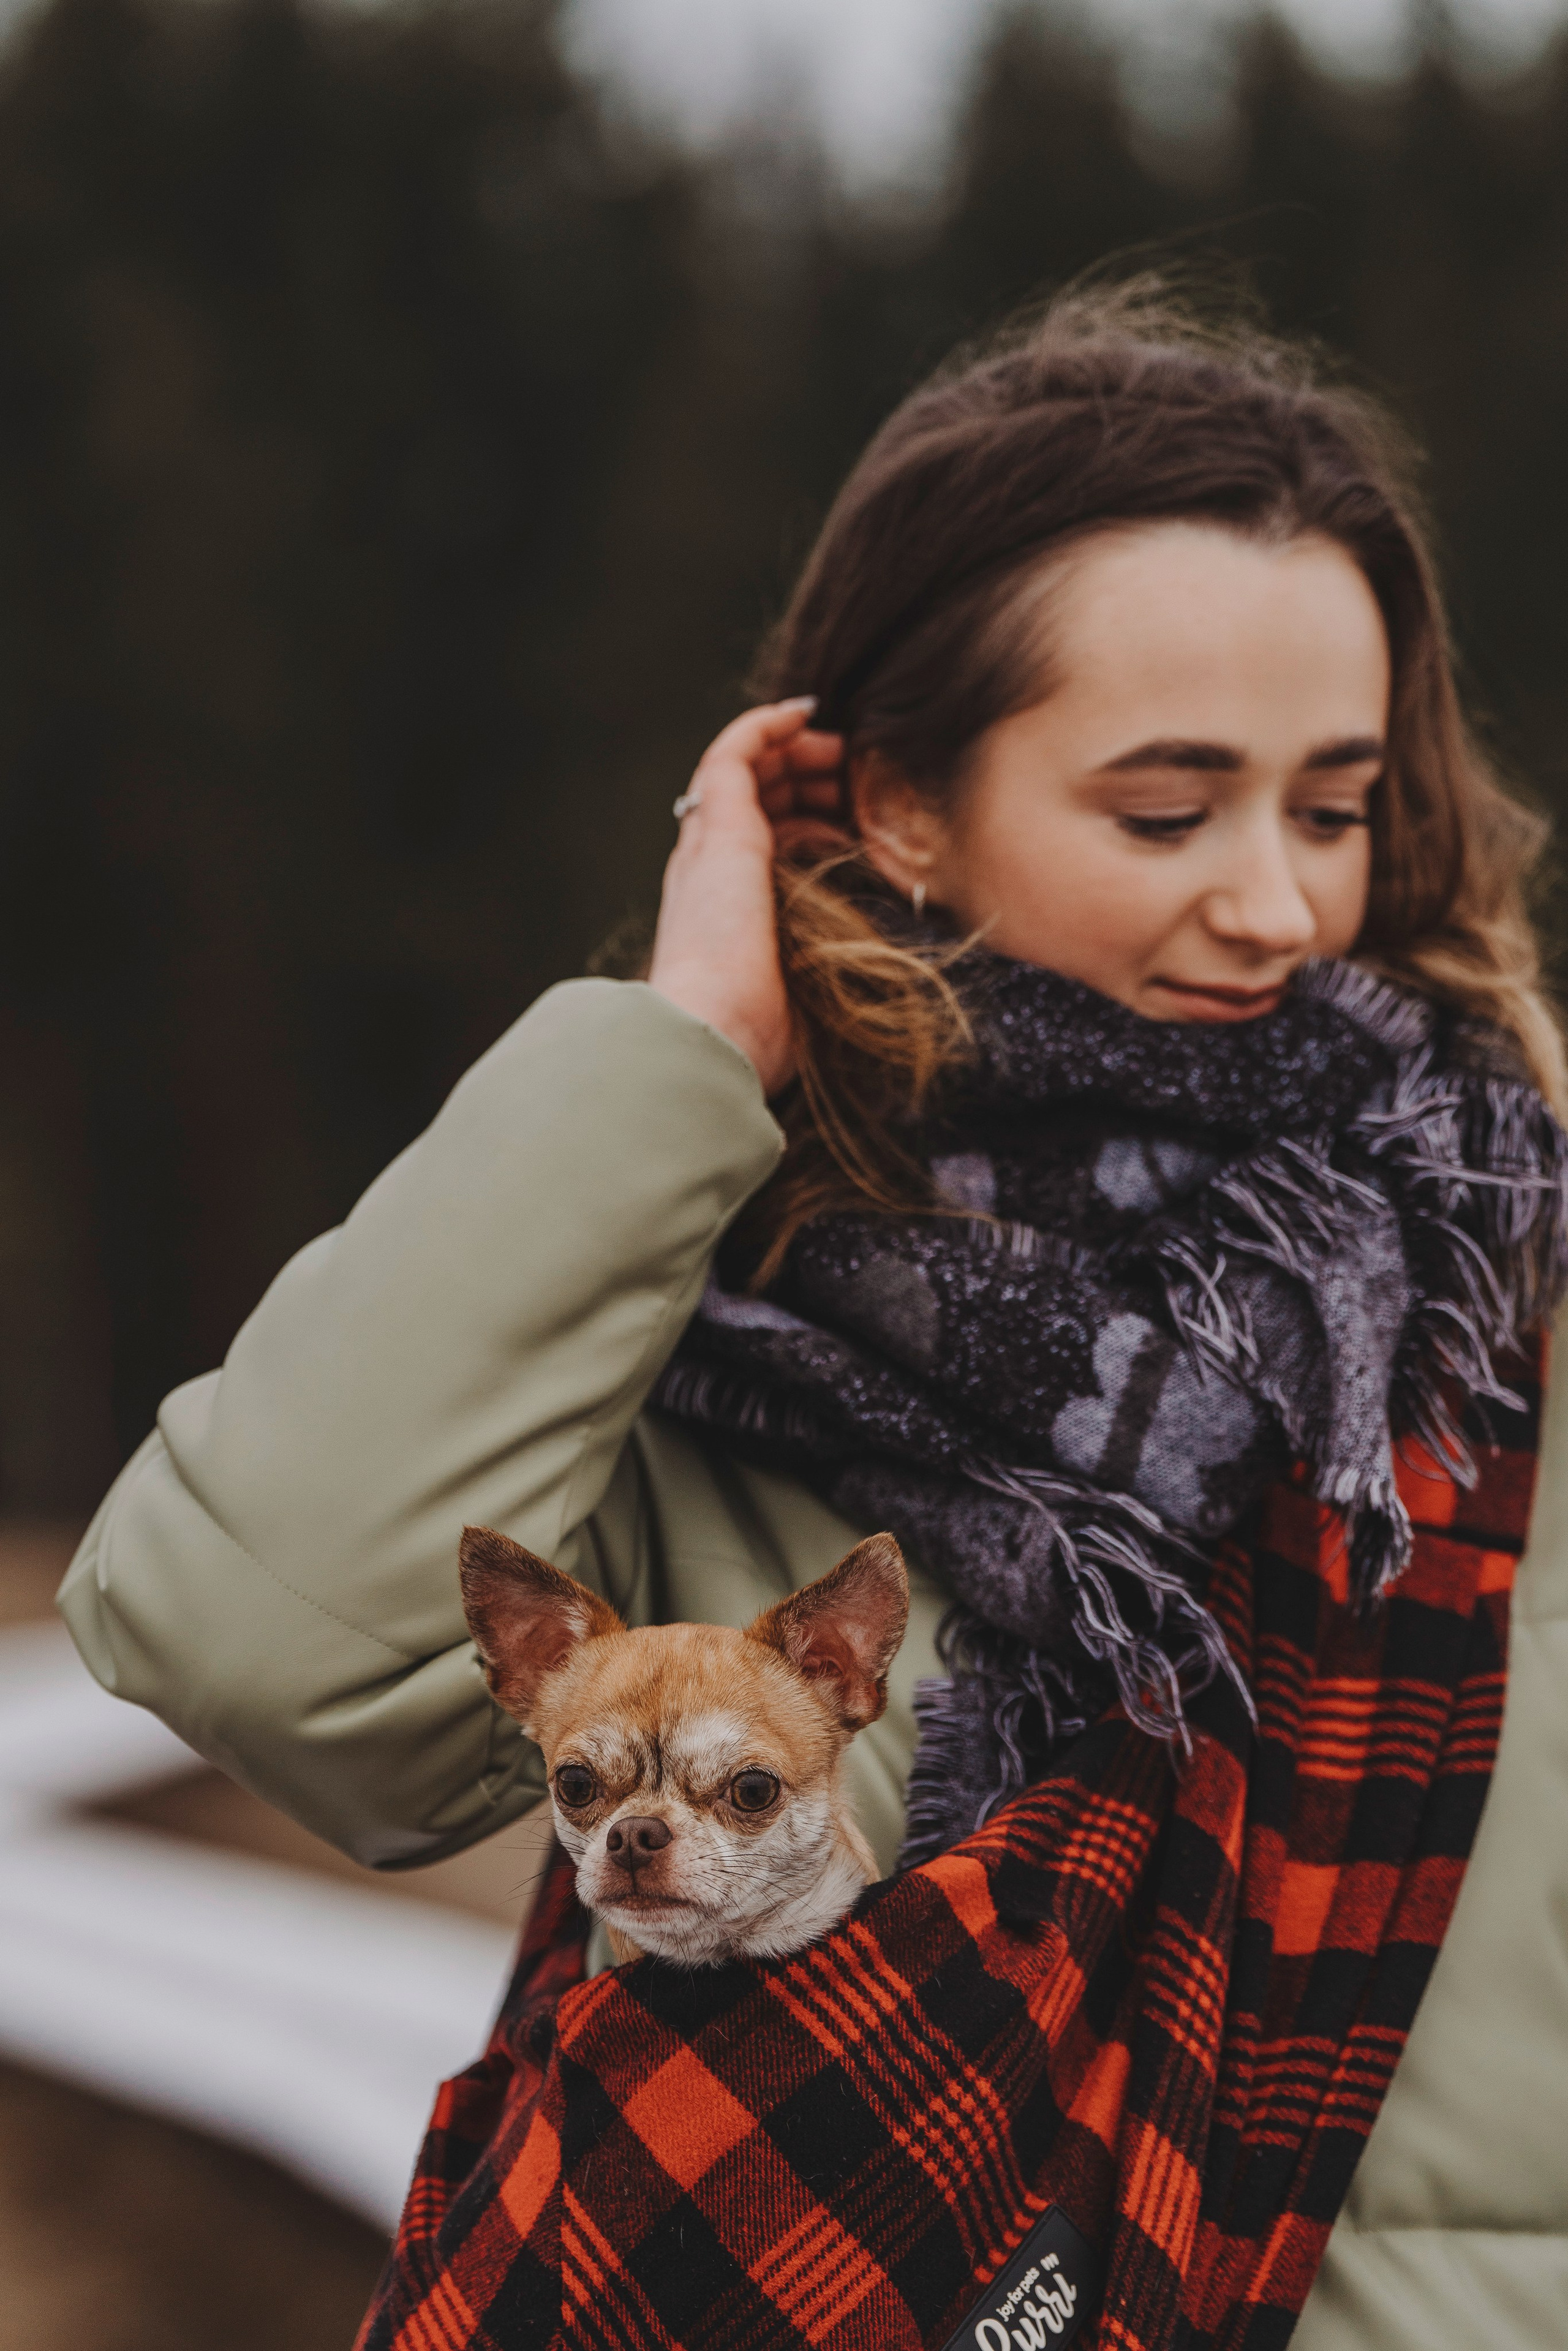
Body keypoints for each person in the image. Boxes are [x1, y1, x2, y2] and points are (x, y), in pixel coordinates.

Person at [59, 284, 1568, 2349]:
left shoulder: (1497, 1291)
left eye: (1332, 804)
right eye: (1165, 808)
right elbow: (246, 1649)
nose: (1285, 906)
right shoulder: (712, 1310)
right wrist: (678, 1056)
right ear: (895, 808)